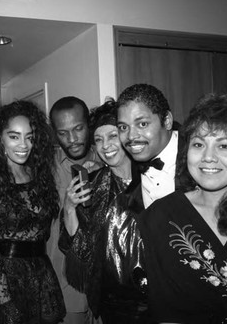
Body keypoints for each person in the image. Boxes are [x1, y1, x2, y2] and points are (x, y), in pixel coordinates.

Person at [139, 94, 227, 323]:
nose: (208, 157)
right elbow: (165, 312)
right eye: (199, 144)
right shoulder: (160, 217)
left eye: (224, 145)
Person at [0, 100, 66, 324]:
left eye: (30, 136)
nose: (24, 144)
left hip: (41, 272)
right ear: (0, 139)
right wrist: (5, 301)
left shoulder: (36, 171)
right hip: (7, 276)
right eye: (14, 136)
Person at [59, 100, 148, 323]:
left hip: (156, 300)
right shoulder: (95, 185)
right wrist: (70, 209)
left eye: (112, 136)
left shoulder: (153, 179)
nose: (105, 145)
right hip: (112, 305)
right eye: (98, 140)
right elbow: (78, 249)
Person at [48, 96, 102, 324]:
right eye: (63, 133)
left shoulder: (109, 157)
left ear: (88, 124)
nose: (72, 139)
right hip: (65, 287)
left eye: (78, 128)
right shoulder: (44, 166)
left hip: (107, 286)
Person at [116, 84, 181, 212]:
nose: (131, 136)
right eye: (123, 127)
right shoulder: (134, 159)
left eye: (142, 124)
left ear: (167, 121)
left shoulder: (199, 156)